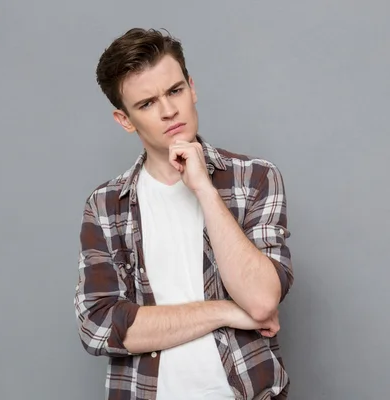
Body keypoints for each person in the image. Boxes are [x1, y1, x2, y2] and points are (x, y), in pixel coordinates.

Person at [73, 28, 294, 400]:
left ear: (192, 88)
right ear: (125, 120)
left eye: (175, 91)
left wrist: (205, 189)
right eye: (146, 104)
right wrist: (224, 311)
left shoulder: (254, 178)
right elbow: (98, 326)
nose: (168, 110)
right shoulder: (106, 204)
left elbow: (260, 300)